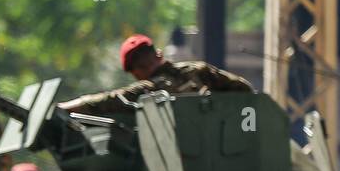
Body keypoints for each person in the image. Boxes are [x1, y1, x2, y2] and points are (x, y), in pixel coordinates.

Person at [58, 33, 252, 117]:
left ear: (136, 73)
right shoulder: (200, 71)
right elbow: (245, 90)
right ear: (158, 54)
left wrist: (61, 108)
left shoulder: (147, 91)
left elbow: (106, 101)